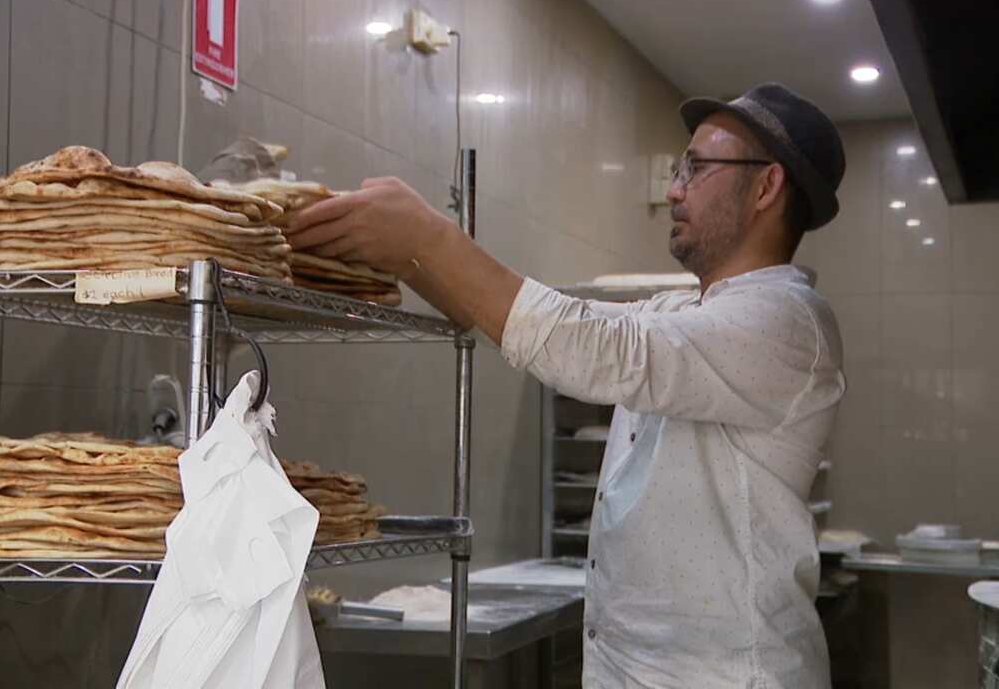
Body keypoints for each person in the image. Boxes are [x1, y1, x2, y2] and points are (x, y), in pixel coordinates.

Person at [288, 83, 848, 688]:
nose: (673, 189)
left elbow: (592, 349)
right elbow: (566, 326)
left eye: (697, 167)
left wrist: (426, 239)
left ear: (766, 186)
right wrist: (405, 260)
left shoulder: (784, 321)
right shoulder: (688, 313)